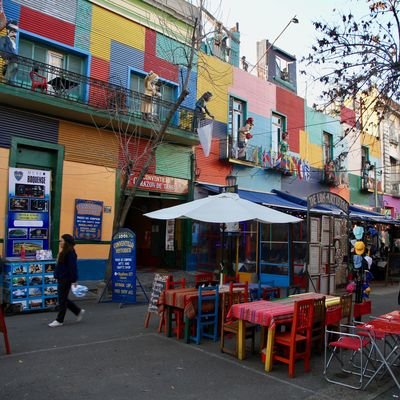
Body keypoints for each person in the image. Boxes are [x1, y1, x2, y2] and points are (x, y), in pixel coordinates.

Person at [48, 234, 85, 327]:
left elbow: (73, 268)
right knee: (63, 299)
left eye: (62, 241)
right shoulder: (63, 252)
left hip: (66, 279)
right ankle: (78, 311)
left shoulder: (70, 253)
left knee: (62, 300)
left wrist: (74, 280)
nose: (60, 242)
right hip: (61, 278)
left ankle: (59, 320)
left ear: (66, 243)